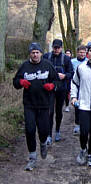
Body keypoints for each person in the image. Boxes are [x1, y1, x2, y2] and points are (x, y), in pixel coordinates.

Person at [13, 43, 58, 171]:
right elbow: (15, 82)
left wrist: (52, 86)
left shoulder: (47, 65)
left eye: (37, 52)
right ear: (30, 54)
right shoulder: (24, 66)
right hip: (29, 104)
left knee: (44, 130)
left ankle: (43, 143)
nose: (35, 54)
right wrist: (21, 82)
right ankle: (32, 157)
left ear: (41, 53)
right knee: (30, 129)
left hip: (44, 104)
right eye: (33, 52)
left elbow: (57, 81)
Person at [43, 39, 73, 144]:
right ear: (52, 47)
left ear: (61, 48)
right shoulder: (46, 57)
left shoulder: (66, 59)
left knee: (59, 110)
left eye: (58, 48)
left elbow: (71, 73)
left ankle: (57, 130)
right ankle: (48, 135)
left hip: (61, 88)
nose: (56, 50)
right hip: (49, 88)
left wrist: (64, 76)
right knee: (50, 111)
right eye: (54, 47)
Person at [71, 45, 88, 135]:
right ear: (77, 52)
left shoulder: (88, 62)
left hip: (86, 87)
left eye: (84, 52)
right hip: (76, 86)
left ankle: (85, 124)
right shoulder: (72, 61)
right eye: (80, 52)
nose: (82, 54)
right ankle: (77, 124)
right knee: (77, 105)